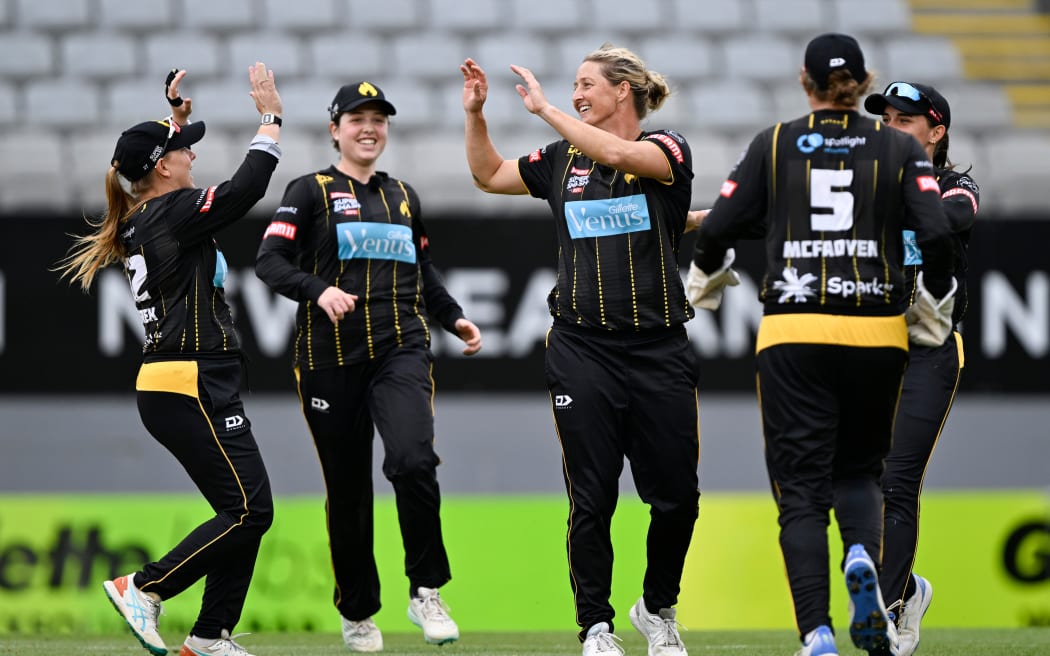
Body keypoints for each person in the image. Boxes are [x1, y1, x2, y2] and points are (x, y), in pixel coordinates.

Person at [685, 34, 957, 656]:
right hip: (878, 331)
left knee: (801, 492)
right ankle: (861, 554)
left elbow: (722, 226)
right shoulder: (896, 146)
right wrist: (934, 300)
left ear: (805, 84)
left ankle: (817, 632)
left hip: (794, 331)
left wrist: (706, 273)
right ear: (864, 85)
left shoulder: (776, 143)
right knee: (861, 471)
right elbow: (936, 231)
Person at [461, 44, 699, 656]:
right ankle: (596, 625)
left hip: (659, 349)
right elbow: (489, 176)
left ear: (624, 90)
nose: (575, 95)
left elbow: (620, 153)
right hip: (581, 348)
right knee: (592, 496)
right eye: (571, 87)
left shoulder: (667, 149)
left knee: (676, 499)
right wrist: (478, 116)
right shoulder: (561, 159)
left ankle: (658, 607)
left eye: (586, 83)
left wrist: (541, 109)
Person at [57, 63, 284, 656]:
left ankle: (210, 635)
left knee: (247, 511)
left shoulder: (149, 215)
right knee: (248, 510)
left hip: (186, 381)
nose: (192, 156)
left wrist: (174, 124)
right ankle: (145, 586)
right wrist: (270, 120)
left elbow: (173, 176)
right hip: (189, 379)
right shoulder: (169, 213)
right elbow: (246, 189)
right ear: (162, 165)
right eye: (185, 150)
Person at [255, 81, 480, 652]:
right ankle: (357, 612)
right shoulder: (308, 191)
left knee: (412, 460)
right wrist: (317, 291)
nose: (369, 128)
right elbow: (268, 262)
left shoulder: (403, 195)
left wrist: (454, 318)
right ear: (335, 129)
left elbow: (423, 272)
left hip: (401, 348)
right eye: (356, 119)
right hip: (328, 358)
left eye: (378, 118)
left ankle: (426, 589)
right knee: (350, 490)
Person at [863, 81, 978, 656]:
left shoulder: (957, 185)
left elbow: (953, 217)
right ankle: (909, 590)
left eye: (904, 121)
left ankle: (881, 617)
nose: (890, 126)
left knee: (895, 481)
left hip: (929, 352)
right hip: (867, 348)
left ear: (935, 132)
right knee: (853, 484)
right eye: (884, 118)